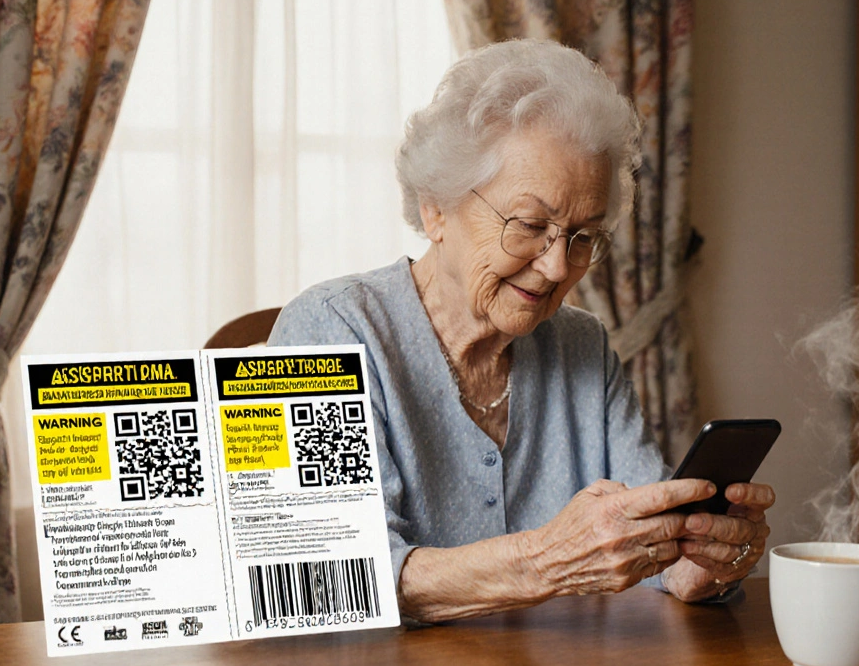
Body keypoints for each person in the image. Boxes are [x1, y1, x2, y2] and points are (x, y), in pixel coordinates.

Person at [268, 39, 774, 623]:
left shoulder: (582, 343)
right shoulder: (329, 331)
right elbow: (322, 579)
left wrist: (703, 558)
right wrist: (546, 561)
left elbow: (652, 548)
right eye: (530, 224)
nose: (559, 267)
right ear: (436, 209)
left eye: (583, 236)